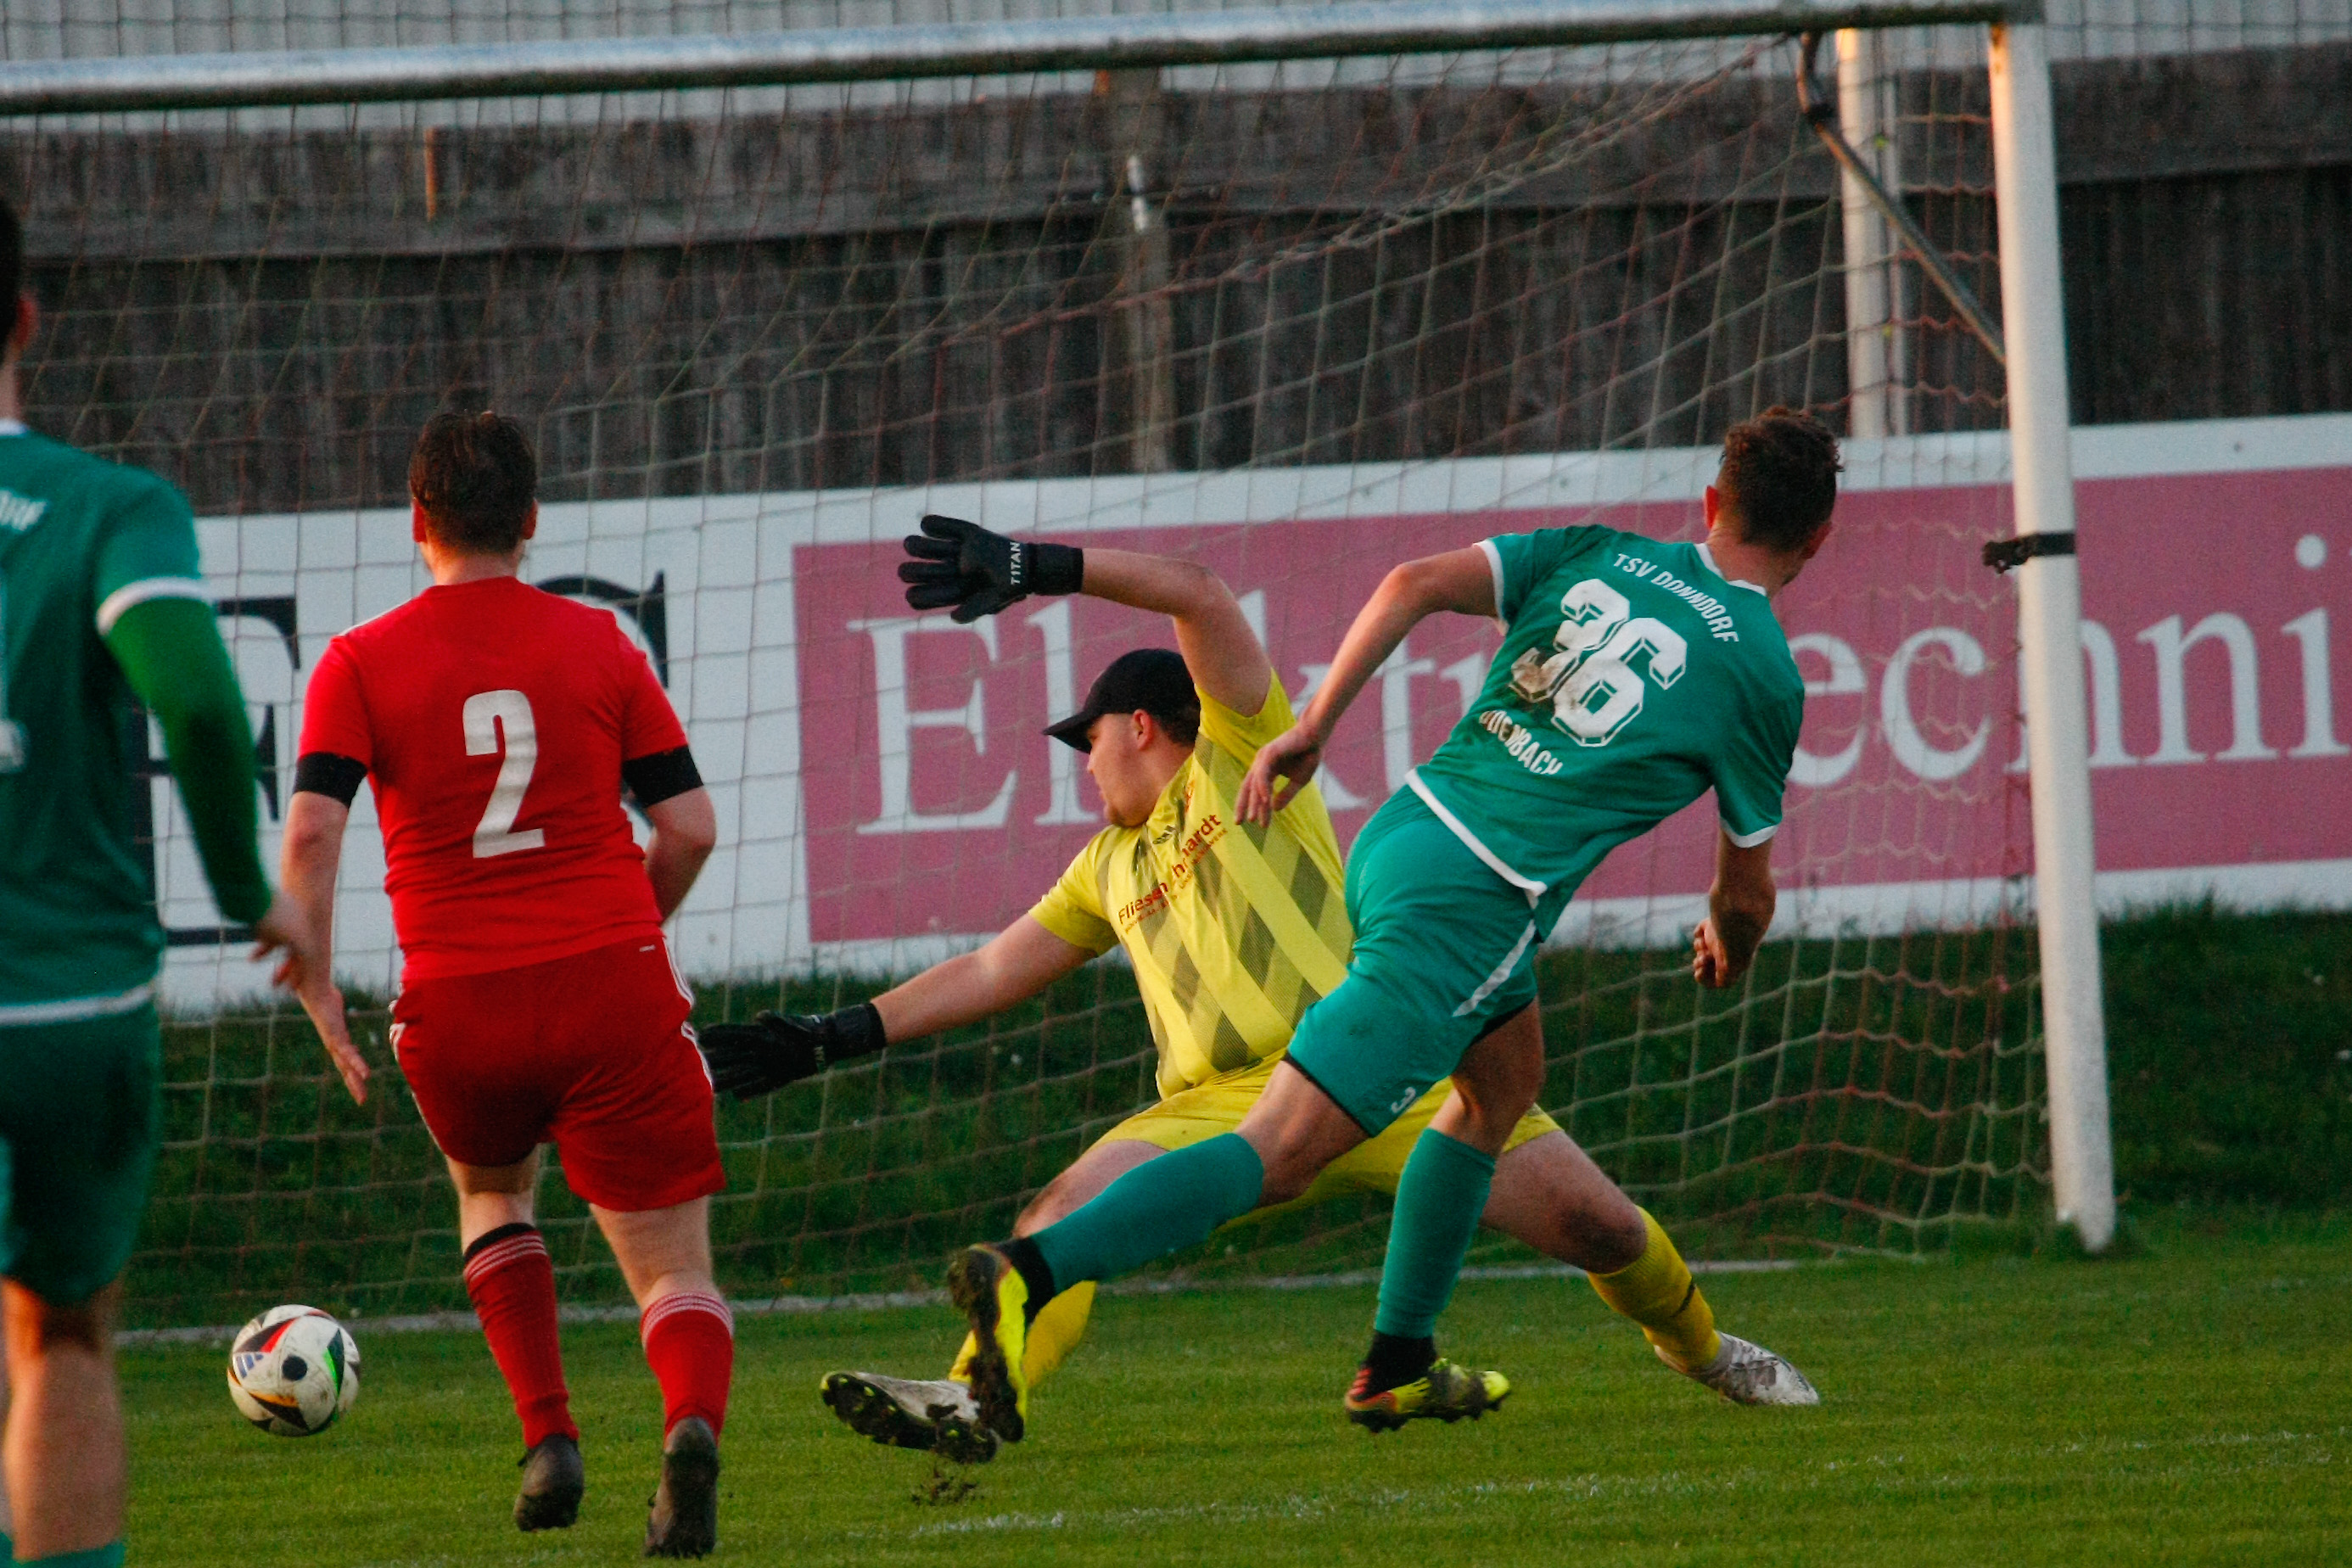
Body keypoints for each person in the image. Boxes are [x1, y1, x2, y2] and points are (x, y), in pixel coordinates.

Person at [698, 514, 1813, 1461]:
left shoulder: (1237, 749)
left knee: (1600, 1226)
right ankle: (972, 1398)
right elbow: (994, 969)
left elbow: (1195, 590)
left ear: (1143, 726)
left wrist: (1038, 566)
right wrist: (830, 1035)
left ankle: (1704, 1350)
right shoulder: (1106, 866)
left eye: (1087, 741)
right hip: (1214, 1098)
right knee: (1060, 1210)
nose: (1082, 766)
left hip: (1385, 1045)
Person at [932, 408, 1841, 1446]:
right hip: (1480, 903)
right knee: (1275, 1155)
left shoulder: (1601, 551)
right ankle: (1029, 1271)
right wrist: (1733, 940)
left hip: (1405, 839)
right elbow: (1748, 890)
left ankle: (1398, 1360)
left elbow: (1410, 582)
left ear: (1712, 504)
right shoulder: (1766, 672)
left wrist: (1311, 728)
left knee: (1498, 1090)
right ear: (1818, 538)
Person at [277, 412, 729, 1556]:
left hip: (460, 1005)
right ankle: (688, 1431)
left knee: (491, 1194)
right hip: (610, 990)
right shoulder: (601, 647)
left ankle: (548, 1434)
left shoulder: (359, 661)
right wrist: (631, 929)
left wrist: (317, 980)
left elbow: (315, 837)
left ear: (415, 521)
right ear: (531, 524)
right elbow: (688, 829)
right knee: (670, 1264)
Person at [0, 193, 340, 1568]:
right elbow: (200, 707)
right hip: (71, 1010)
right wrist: (249, 887)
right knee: (64, 1330)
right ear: (25, 316)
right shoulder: (107, 509)